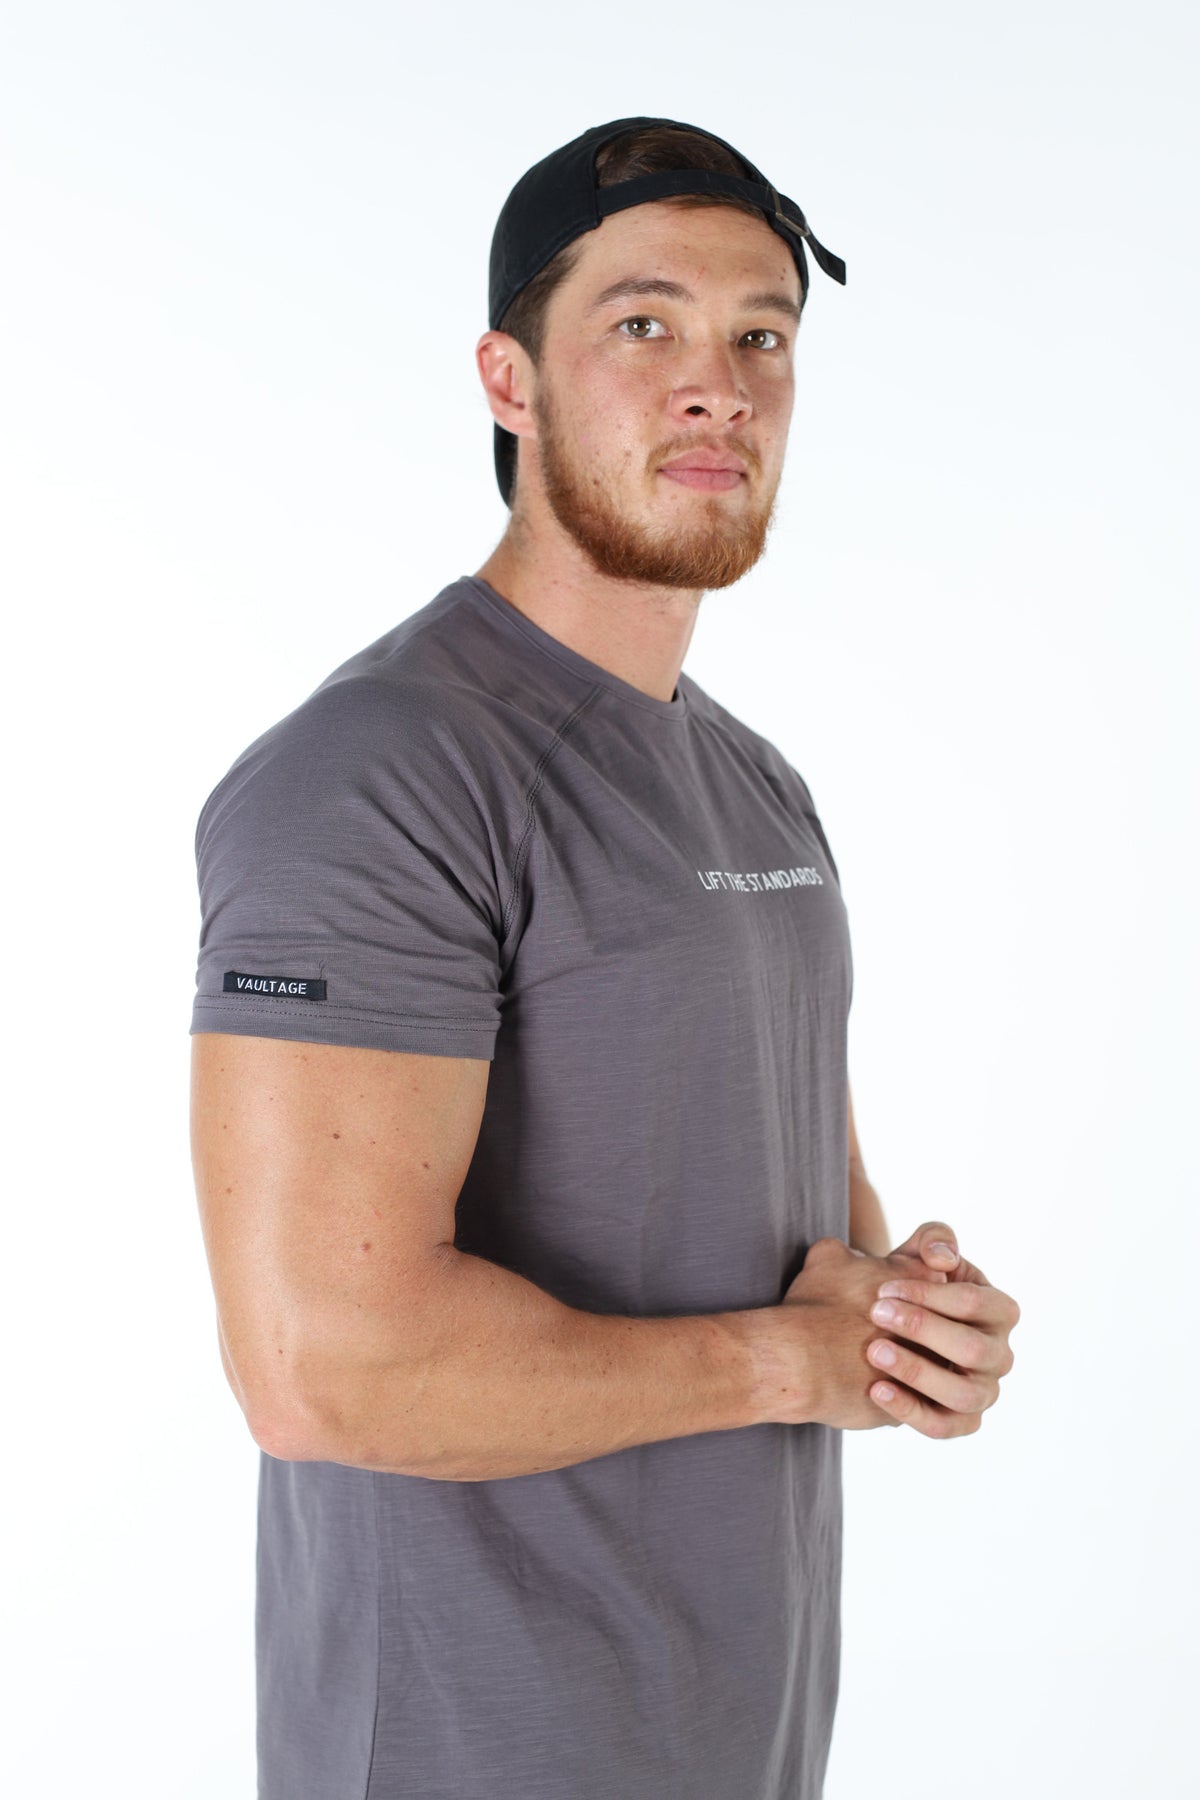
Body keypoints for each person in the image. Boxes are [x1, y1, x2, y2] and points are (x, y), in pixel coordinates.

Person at [188, 115, 1020, 1800]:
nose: (717, 387)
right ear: (509, 381)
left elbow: (813, 1231)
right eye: (645, 325)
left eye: (761, 337)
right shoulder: (379, 773)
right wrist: (794, 1360)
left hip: (734, 1733)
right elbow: (322, 1368)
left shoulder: (755, 781)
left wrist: (908, 1321)